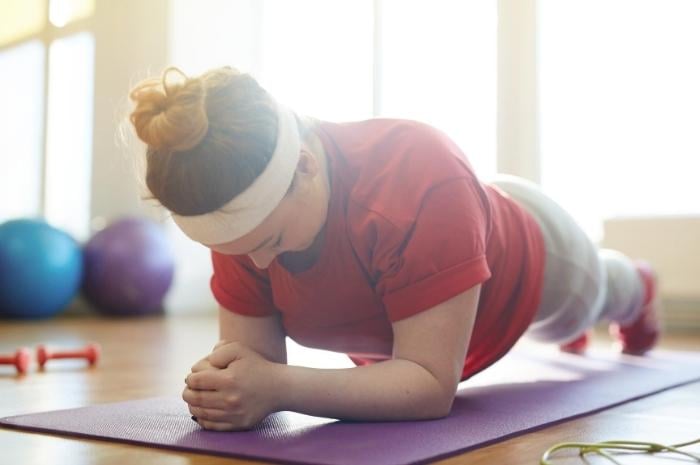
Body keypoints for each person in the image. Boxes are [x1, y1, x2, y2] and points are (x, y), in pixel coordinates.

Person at [128, 66, 661, 431]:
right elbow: (259, 369)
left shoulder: (415, 174)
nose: (260, 266)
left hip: (535, 258)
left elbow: (428, 386)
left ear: (306, 167)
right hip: (438, 244)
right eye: (239, 251)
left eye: (269, 243)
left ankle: (638, 285)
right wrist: (228, 390)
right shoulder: (241, 215)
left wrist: (278, 388)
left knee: (590, 304)